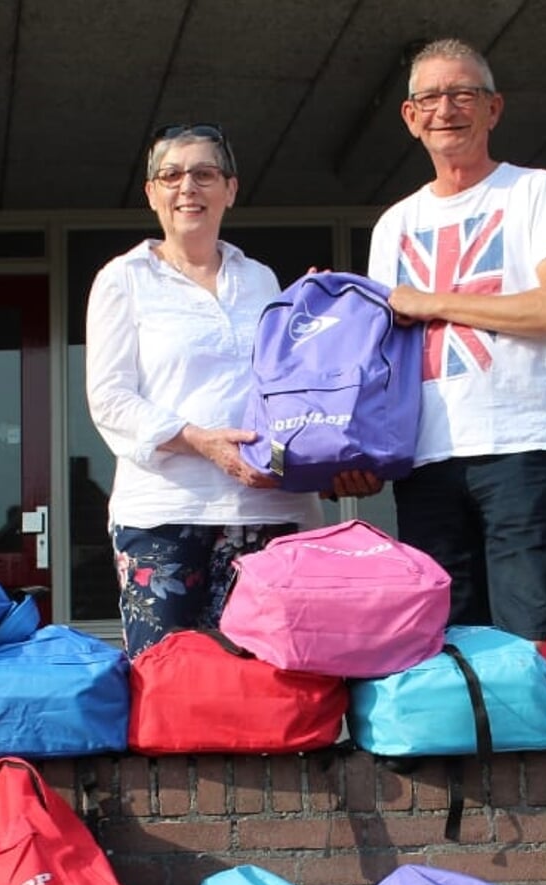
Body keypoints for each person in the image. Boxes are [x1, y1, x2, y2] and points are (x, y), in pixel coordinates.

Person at [365, 38, 546, 642]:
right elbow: (382, 350)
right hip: (424, 455)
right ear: (410, 117)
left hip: (517, 443)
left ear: (493, 109)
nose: (447, 108)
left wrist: (434, 302)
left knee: (529, 634)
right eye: (430, 97)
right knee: (443, 642)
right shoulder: (395, 222)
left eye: (463, 93)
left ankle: (537, 742)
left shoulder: (537, 191)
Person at [85, 124, 322, 657]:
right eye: (170, 175)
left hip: (270, 511)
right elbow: (109, 399)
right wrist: (200, 440)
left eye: (204, 174)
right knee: (171, 687)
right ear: (151, 193)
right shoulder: (123, 279)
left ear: (230, 189)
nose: (187, 187)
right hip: (165, 515)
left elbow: (285, 387)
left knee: (273, 683)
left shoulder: (260, 279)